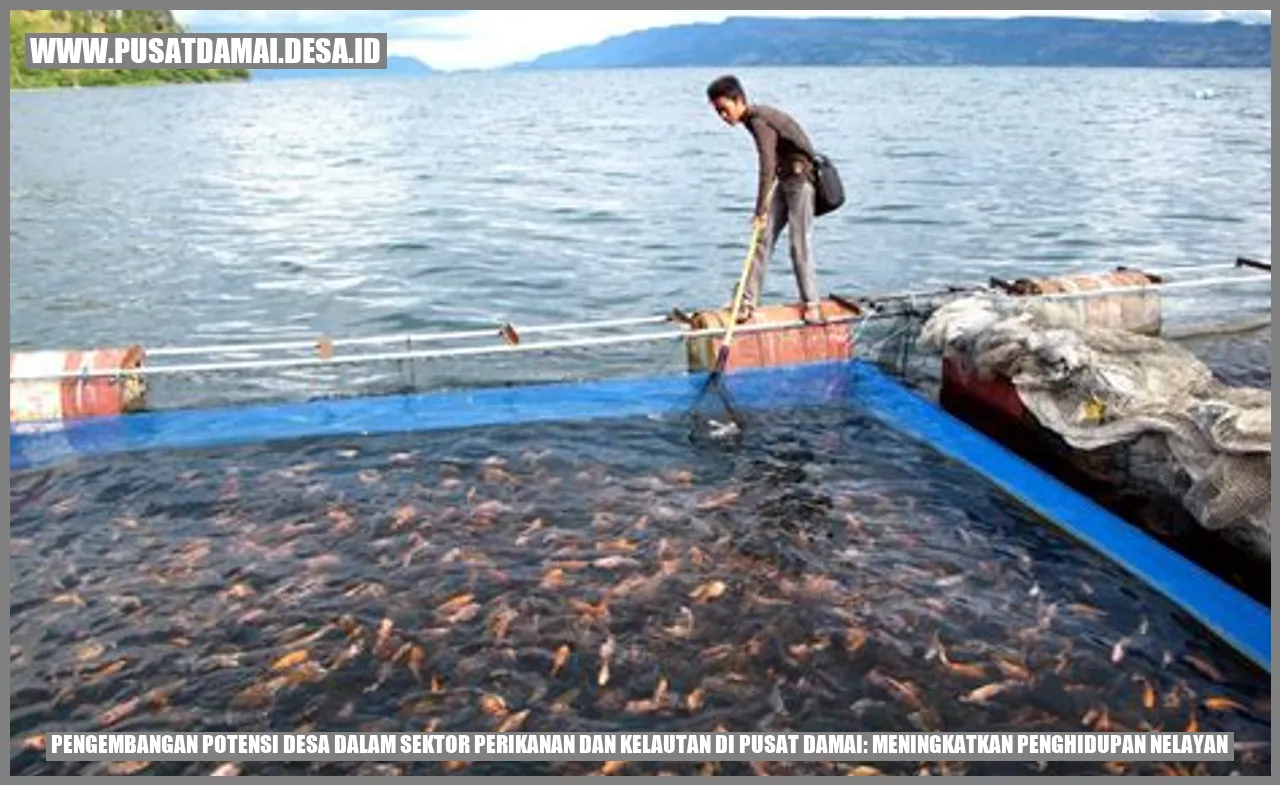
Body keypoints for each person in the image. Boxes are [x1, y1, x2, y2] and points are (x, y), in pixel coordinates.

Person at [706, 74, 823, 325]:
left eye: (724, 110)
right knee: (763, 238)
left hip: (801, 181)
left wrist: (760, 209)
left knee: (798, 243)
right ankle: (746, 302)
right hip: (785, 179)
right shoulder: (752, 119)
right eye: (718, 112)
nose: (723, 117)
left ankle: (812, 303)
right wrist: (762, 212)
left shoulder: (759, 120)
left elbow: (766, 165)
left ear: (739, 101)